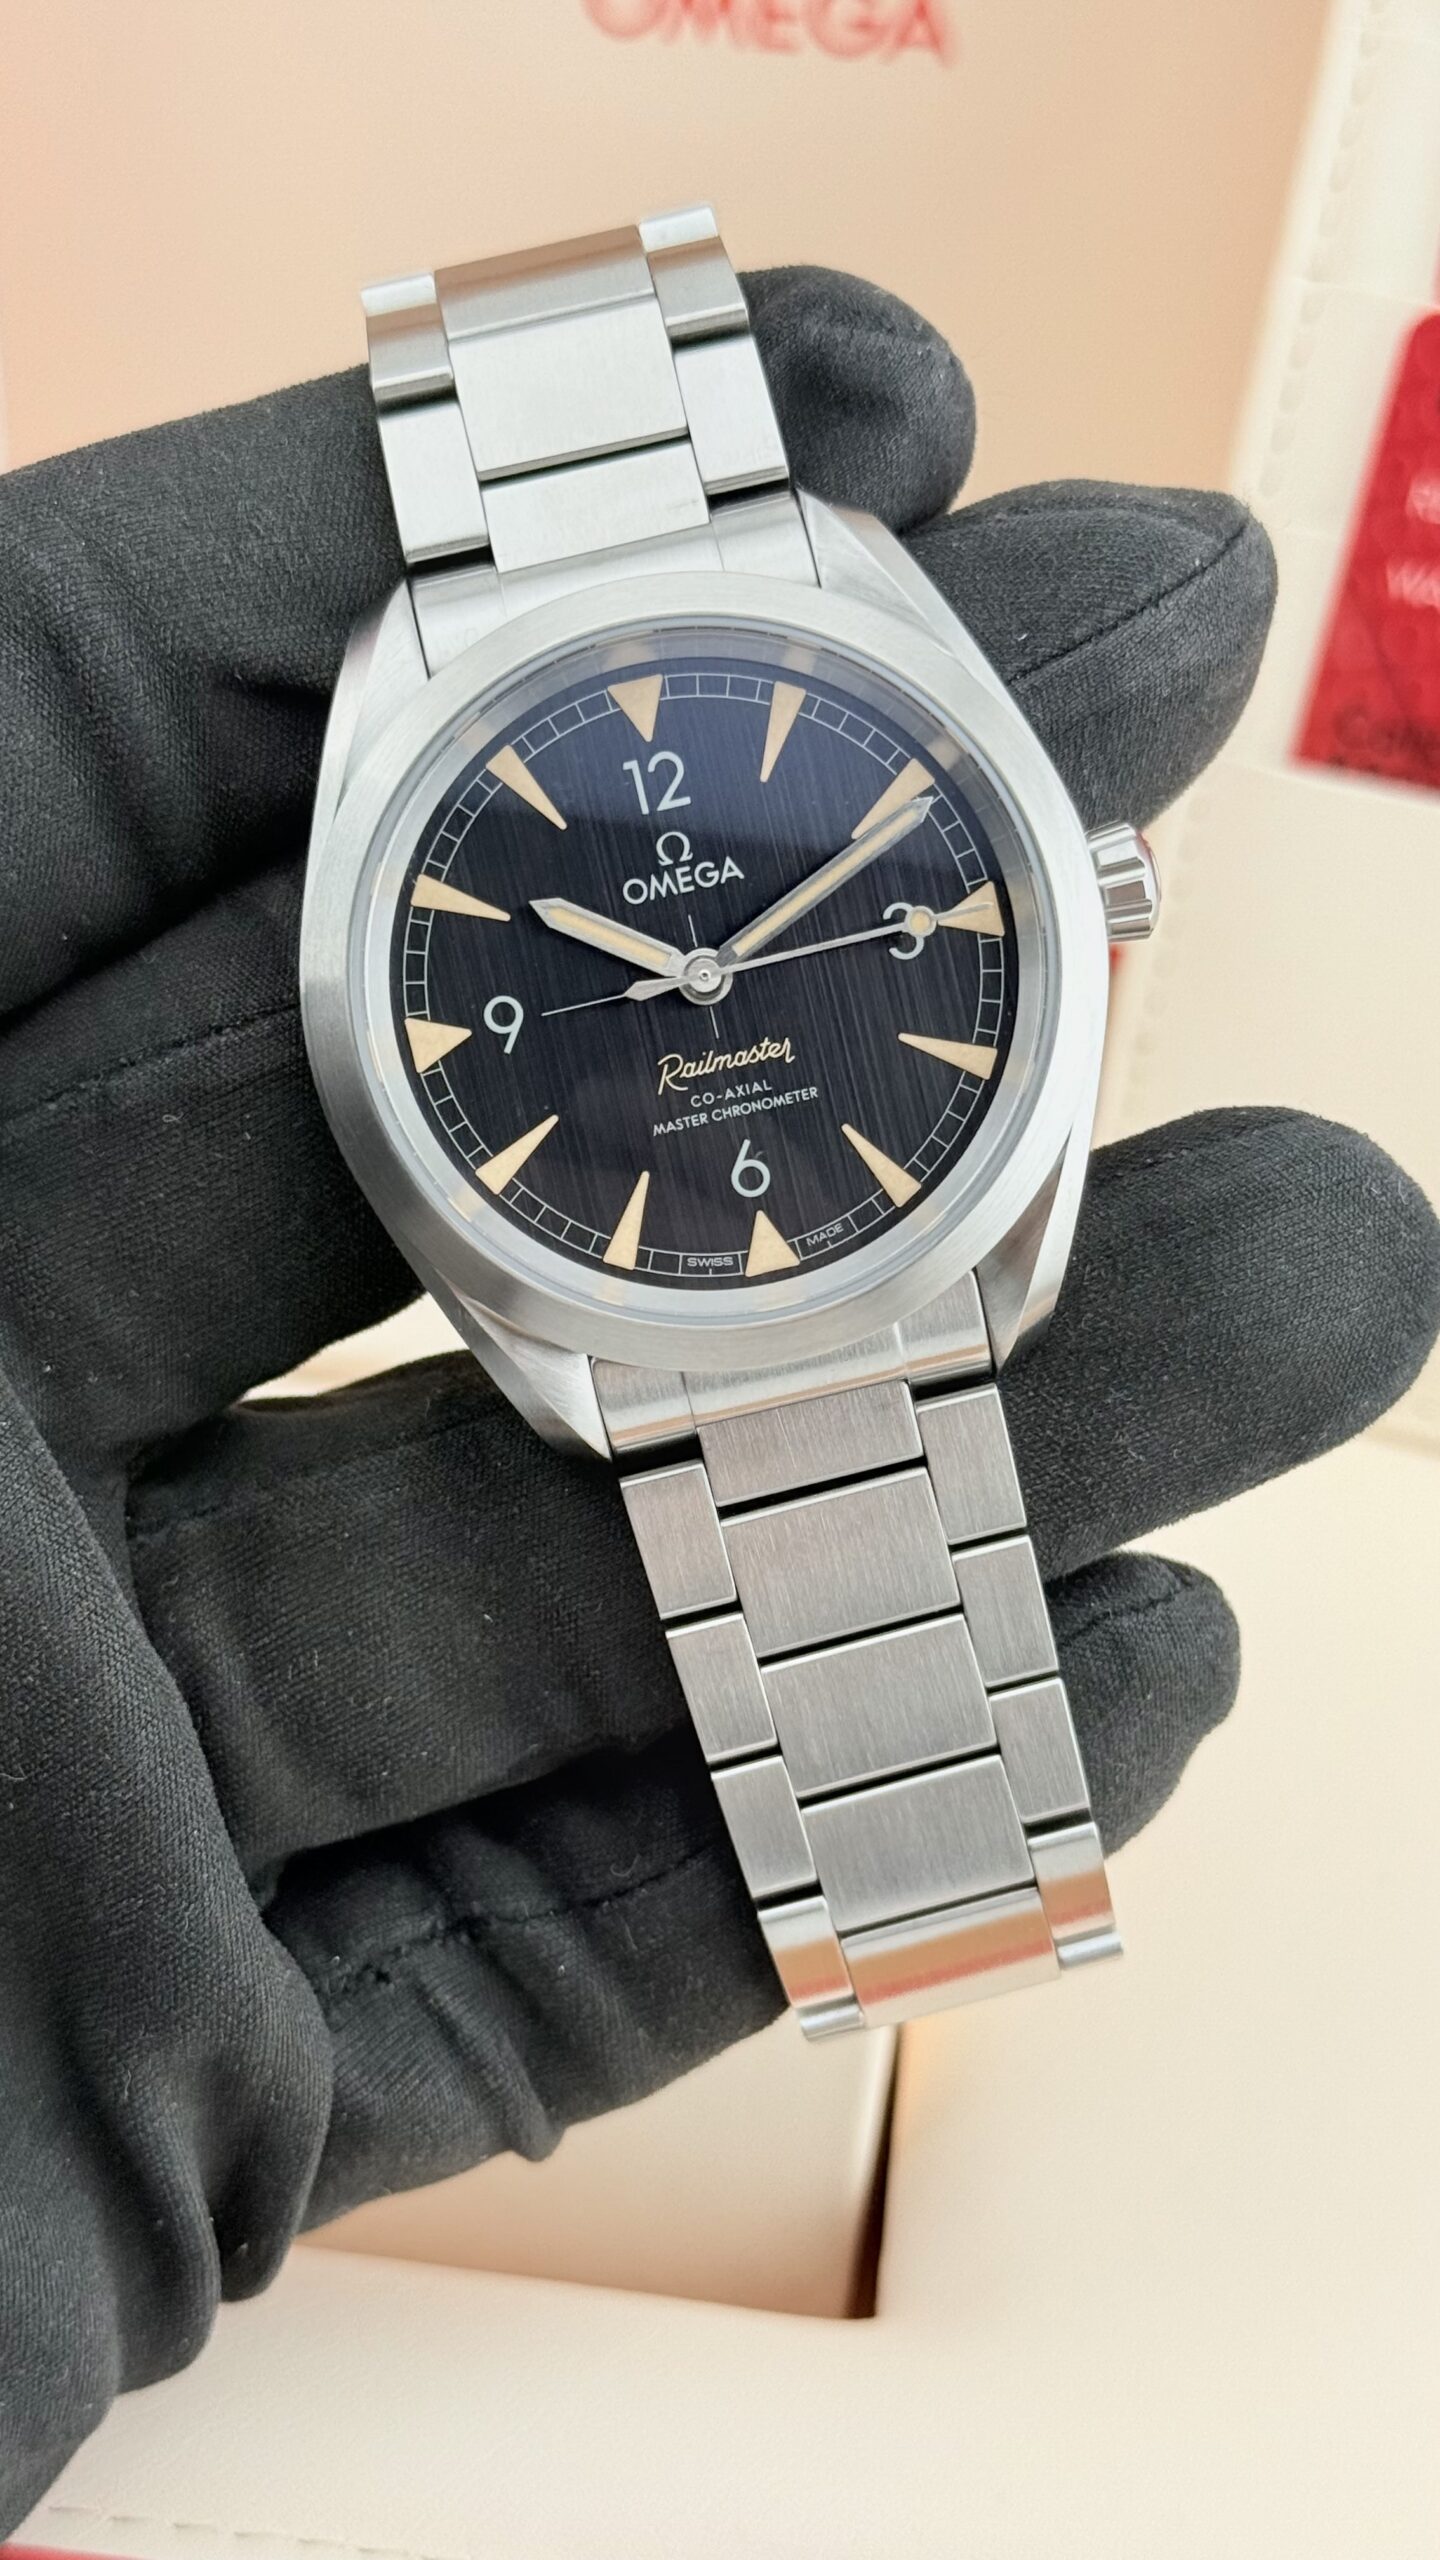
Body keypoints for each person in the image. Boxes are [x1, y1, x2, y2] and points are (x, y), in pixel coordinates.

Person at [0, 264, 1435, 2529]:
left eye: (729, 947)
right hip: (607, 1283)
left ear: (1076, 898)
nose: (693, 971)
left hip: (854, 1226)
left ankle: (924, 1872)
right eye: (653, 959)